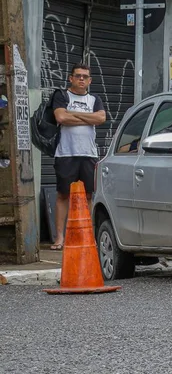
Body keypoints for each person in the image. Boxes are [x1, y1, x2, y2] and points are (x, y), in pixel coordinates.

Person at [50, 63, 106, 250]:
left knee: (89, 195)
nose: (81, 79)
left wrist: (72, 113)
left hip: (89, 154)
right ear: (70, 78)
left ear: (90, 81)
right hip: (66, 153)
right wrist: (86, 116)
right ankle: (59, 238)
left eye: (85, 76)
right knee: (63, 195)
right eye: (78, 76)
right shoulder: (62, 95)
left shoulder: (94, 98)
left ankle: (87, 235)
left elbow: (101, 119)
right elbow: (61, 118)